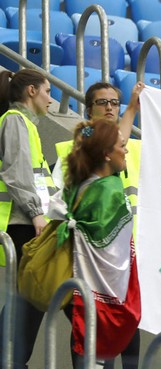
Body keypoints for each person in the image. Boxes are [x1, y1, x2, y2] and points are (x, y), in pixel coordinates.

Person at [57, 119, 140, 369]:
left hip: (83, 293)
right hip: (101, 297)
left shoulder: (85, 182)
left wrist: (133, 107)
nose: (126, 150)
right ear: (106, 154)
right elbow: (113, 253)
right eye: (121, 146)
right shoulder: (107, 191)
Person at [0, 68, 55, 369]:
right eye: (48, 91)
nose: (51, 99)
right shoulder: (15, 121)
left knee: (30, 299)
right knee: (29, 300)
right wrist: (37, 216)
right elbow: (16, 174)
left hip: (30, 223)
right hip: (22, 224)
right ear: (31, 91)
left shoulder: (28, 126)